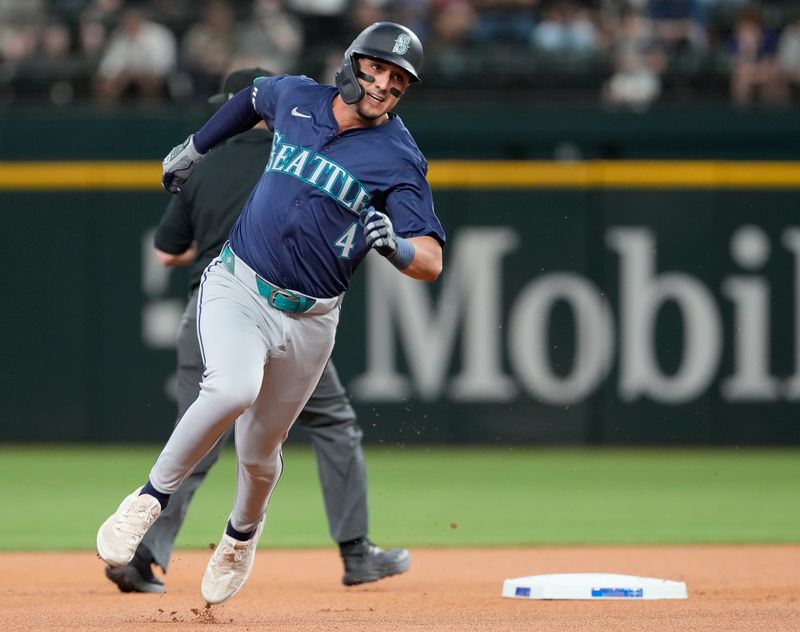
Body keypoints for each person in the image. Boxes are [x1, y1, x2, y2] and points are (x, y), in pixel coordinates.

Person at [96, 21, 445, 606]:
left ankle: (240, 536)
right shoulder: (299, 98)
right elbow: (248, 98)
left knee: (260, 455)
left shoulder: (399, 156)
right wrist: (195, 146)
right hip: (239, 286)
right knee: (231, 388)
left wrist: (401, 248)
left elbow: (432, 259)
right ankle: (147, 500)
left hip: (312, 319)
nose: (384, 84)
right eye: (377, 68)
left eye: (398, 80)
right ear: (352, 62)